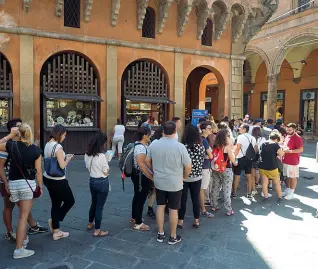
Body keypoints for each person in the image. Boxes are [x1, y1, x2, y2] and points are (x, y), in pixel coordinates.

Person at [0, 119, 47, 244]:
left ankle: (32, 227)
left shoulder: (15, 144)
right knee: (11, 208)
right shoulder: (8, 144)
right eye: (18, 126)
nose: (20, 128)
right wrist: (5, 182)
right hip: (9, 181)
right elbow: (0, 167)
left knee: (23, 210)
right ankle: (11, 234)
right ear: (13, 129)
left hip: (15, 182)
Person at [146, 121, 191, 245]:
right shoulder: (180, 146)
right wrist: (184, 177)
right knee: (173, 209)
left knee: (160, 206)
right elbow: (188, 166)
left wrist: (154, 171)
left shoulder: (154, 144)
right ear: (175, 131)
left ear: (163, 131)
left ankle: (160, 233)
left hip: (159, 180)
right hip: (175, 182)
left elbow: (147, 160)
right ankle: (173, 236)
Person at [43, 124, 75, 240]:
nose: (64, 138)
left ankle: (56, 229)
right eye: (64, 135)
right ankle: (55, 221)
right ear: (60, 134)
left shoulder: (48, 144)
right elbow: (62, 165)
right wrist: (68, 159)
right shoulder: (58, 147)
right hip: (58, 180)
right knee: (70, 201)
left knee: (55, 203)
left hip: (48, 178)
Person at [178, 124, 204, 229]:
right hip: (197, 176)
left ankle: (180, 221)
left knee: (182, 199)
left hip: (184, 177)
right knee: (195, 199)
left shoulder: (183, 147)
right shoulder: (201, 146)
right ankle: (196, 220)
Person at [85, 132, 110, 237]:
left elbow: (87, 167)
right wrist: (108, 162)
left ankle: (90, 223)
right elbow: (105, 172)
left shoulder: (87, 154)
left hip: (92, 181)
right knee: (100, 206)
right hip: (102, 182)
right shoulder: (102, 156)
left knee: (93, 203)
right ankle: (97, 230)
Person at [130, 127, 153, 230]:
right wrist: (151, 176)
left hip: (137, 175)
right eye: (149, 135)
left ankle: (134, 217)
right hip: (141, 176)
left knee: (137, 196)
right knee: (141, 198)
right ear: (144, 135)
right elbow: (142, 164)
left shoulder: (138, 144)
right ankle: (138, 223)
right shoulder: (141, 147)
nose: (150, 137)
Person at [210, 129, 236, 216]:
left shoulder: (215, 145)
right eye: (228, 136)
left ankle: (214, 205)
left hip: (216, 169)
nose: (229, 138)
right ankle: (229, 209)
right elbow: (232, 159)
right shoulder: (227, 147)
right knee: (227, 189)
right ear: (225, 138)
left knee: (215, 187)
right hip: (226, 169)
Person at [258, 131, 284, 202]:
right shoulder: (275, 145)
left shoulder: (263, 144)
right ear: (276, 139)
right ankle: (280, 197)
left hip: (262, 166)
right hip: (272, 166)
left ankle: (266, 197)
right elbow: (281, 154)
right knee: (277, 183)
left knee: (264, 182)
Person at [232, 124, 257, 199]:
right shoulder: (253, 138)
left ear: (245, 129)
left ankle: (234, 193)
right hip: (249, 158)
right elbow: (255, 148)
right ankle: (249, 193)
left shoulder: (240, 137)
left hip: (240, 158)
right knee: (248, 175)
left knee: (237, 175)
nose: (239, 128)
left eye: (241, 127)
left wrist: (234, 158)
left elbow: (237, 148)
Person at [282, 123, 303, 200]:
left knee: (293, 177)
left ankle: (292, 192)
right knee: (287, 176)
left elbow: (301, 149)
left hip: (293, 161)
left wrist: (290, 151)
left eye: (290, 130)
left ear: (294, 129)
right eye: (287, 130)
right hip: (285, 159)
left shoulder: (297, 138)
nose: (288, 131)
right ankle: (288, 190)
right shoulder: (287, 135)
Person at [199, 123, 214, 217]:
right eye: (209, 128)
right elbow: (210, 155)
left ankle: (201, 207)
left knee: (200, 188)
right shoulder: (204, 140)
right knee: (202, 188)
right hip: (205, 167)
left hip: (199, 166)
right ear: (204, 129)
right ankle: (203, 208)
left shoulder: (199, 139)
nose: (210, 130)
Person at [251, 126, 266, 193]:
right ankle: (258, 184)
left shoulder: (251, 138)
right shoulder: (263, 139)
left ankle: (253, 189)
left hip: (251, 157)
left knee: (252, 174)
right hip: (260, 157)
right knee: (260, 173)